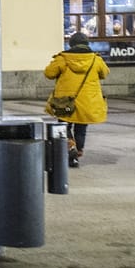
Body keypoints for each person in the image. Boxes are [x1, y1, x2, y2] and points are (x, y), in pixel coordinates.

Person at [44, 31, 109, 168]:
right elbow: (105, 73)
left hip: (65, 101)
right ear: (87, 44)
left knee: (64, 126)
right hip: (87, 101)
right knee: (81, 128)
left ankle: (70, 148)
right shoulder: (95, 60)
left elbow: (49, 73)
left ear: (71, 44)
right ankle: (77, 153)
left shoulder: (63, 59)